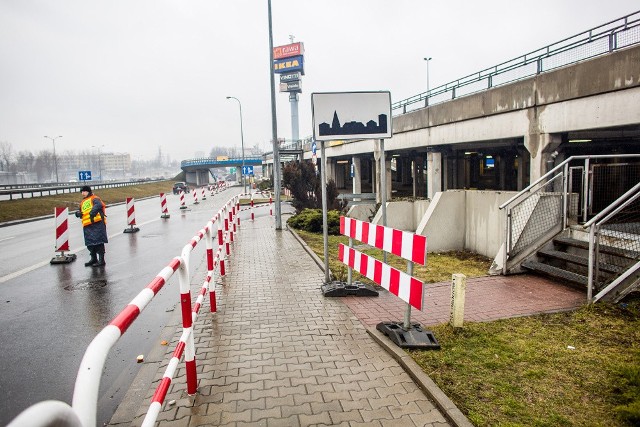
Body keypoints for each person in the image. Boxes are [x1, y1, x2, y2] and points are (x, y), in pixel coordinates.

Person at [75, 185, 108, 267]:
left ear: (88, 191)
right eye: (82, 192)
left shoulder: (94, 198)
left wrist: (93, 212)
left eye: (84, 191)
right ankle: (93, 259)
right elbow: (79, 210)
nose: (83, 193)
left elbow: (99, 205)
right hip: (87, 225)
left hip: (97, 223)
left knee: (99, 242)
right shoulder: (82, 202)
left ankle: (101, 260)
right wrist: (77, 213)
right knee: (90, 243)